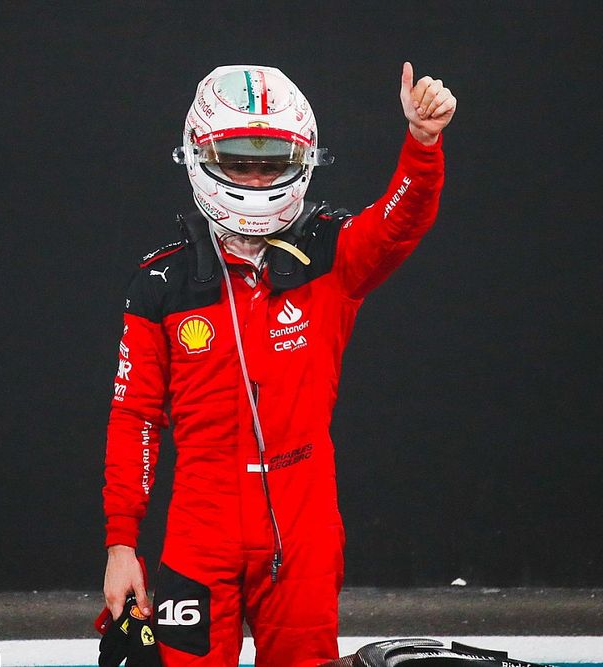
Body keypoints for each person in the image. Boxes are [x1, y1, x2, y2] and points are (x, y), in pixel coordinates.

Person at [102, 62, 456, 667]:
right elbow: (135, 415)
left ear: (305, 159)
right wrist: (120, 544)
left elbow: (399, 224)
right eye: (239, 160)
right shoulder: (161, 279)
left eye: (272, 161)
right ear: (199, 156)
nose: (257, 174)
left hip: (303, 514)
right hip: (199, 521)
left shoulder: (332, 250)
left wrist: (422, 144)